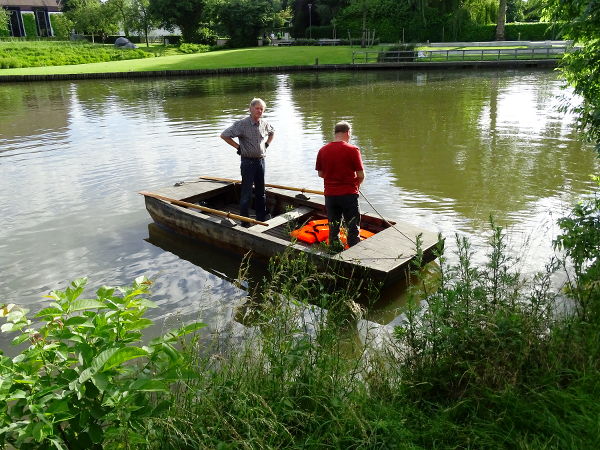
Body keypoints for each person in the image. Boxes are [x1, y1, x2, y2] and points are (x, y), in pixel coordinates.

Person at [221, 98, 275, 223]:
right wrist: (238, 147)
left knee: (261, 192)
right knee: (246, 192)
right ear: (250, 109)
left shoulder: (265, 123)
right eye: (257, 108)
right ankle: (244, 221)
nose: (259, 111)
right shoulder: (242, 124)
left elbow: (272, 132)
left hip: (261, 162)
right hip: (247, 162)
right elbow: (224, 135)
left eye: (262, 109)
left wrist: (266, 145)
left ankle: (261, 218)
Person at [315, 121, 365, 248]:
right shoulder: (353, 150)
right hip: (349, 195)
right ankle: (354, 253)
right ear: (348, 133)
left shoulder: (322, 150)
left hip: (330, 195)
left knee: (334, 226)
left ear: (335, 133)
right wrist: (356, 185)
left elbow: (321, 174)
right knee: (353, 227)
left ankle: (334, 252)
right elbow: (361, 175)